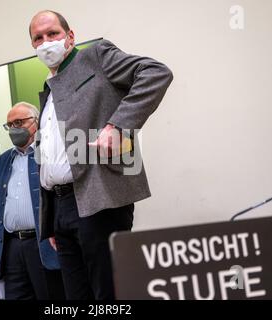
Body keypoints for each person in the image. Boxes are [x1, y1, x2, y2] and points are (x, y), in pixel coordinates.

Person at [29, 10, 173, 300]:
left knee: (108, 294)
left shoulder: (96, 56)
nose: (46, 42)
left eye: (52, 34)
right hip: (61, 208)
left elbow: (156, 73)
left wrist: (118, 126)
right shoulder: (48, 89)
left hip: (99, 200)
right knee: (76, 298)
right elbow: (51, 157)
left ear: (70, 37)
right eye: (38, 38)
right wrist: (53, 221)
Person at [0, 101, 65, 300]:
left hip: (42, 242)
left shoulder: (48, 153)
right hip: (12, 247)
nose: (14, 129)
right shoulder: (2, 161)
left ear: (35, 122)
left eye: (19, 122)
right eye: (9, 125)